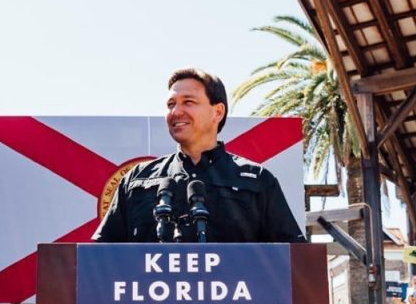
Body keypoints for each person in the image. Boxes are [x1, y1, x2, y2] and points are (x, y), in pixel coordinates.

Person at [93, 68, 304, 244]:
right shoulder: (136, 180)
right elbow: (99, 259)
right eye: (171, 104)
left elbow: (292, 259)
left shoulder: (258, 180)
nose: (176, 111)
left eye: (188, 102)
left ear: (217, 112)